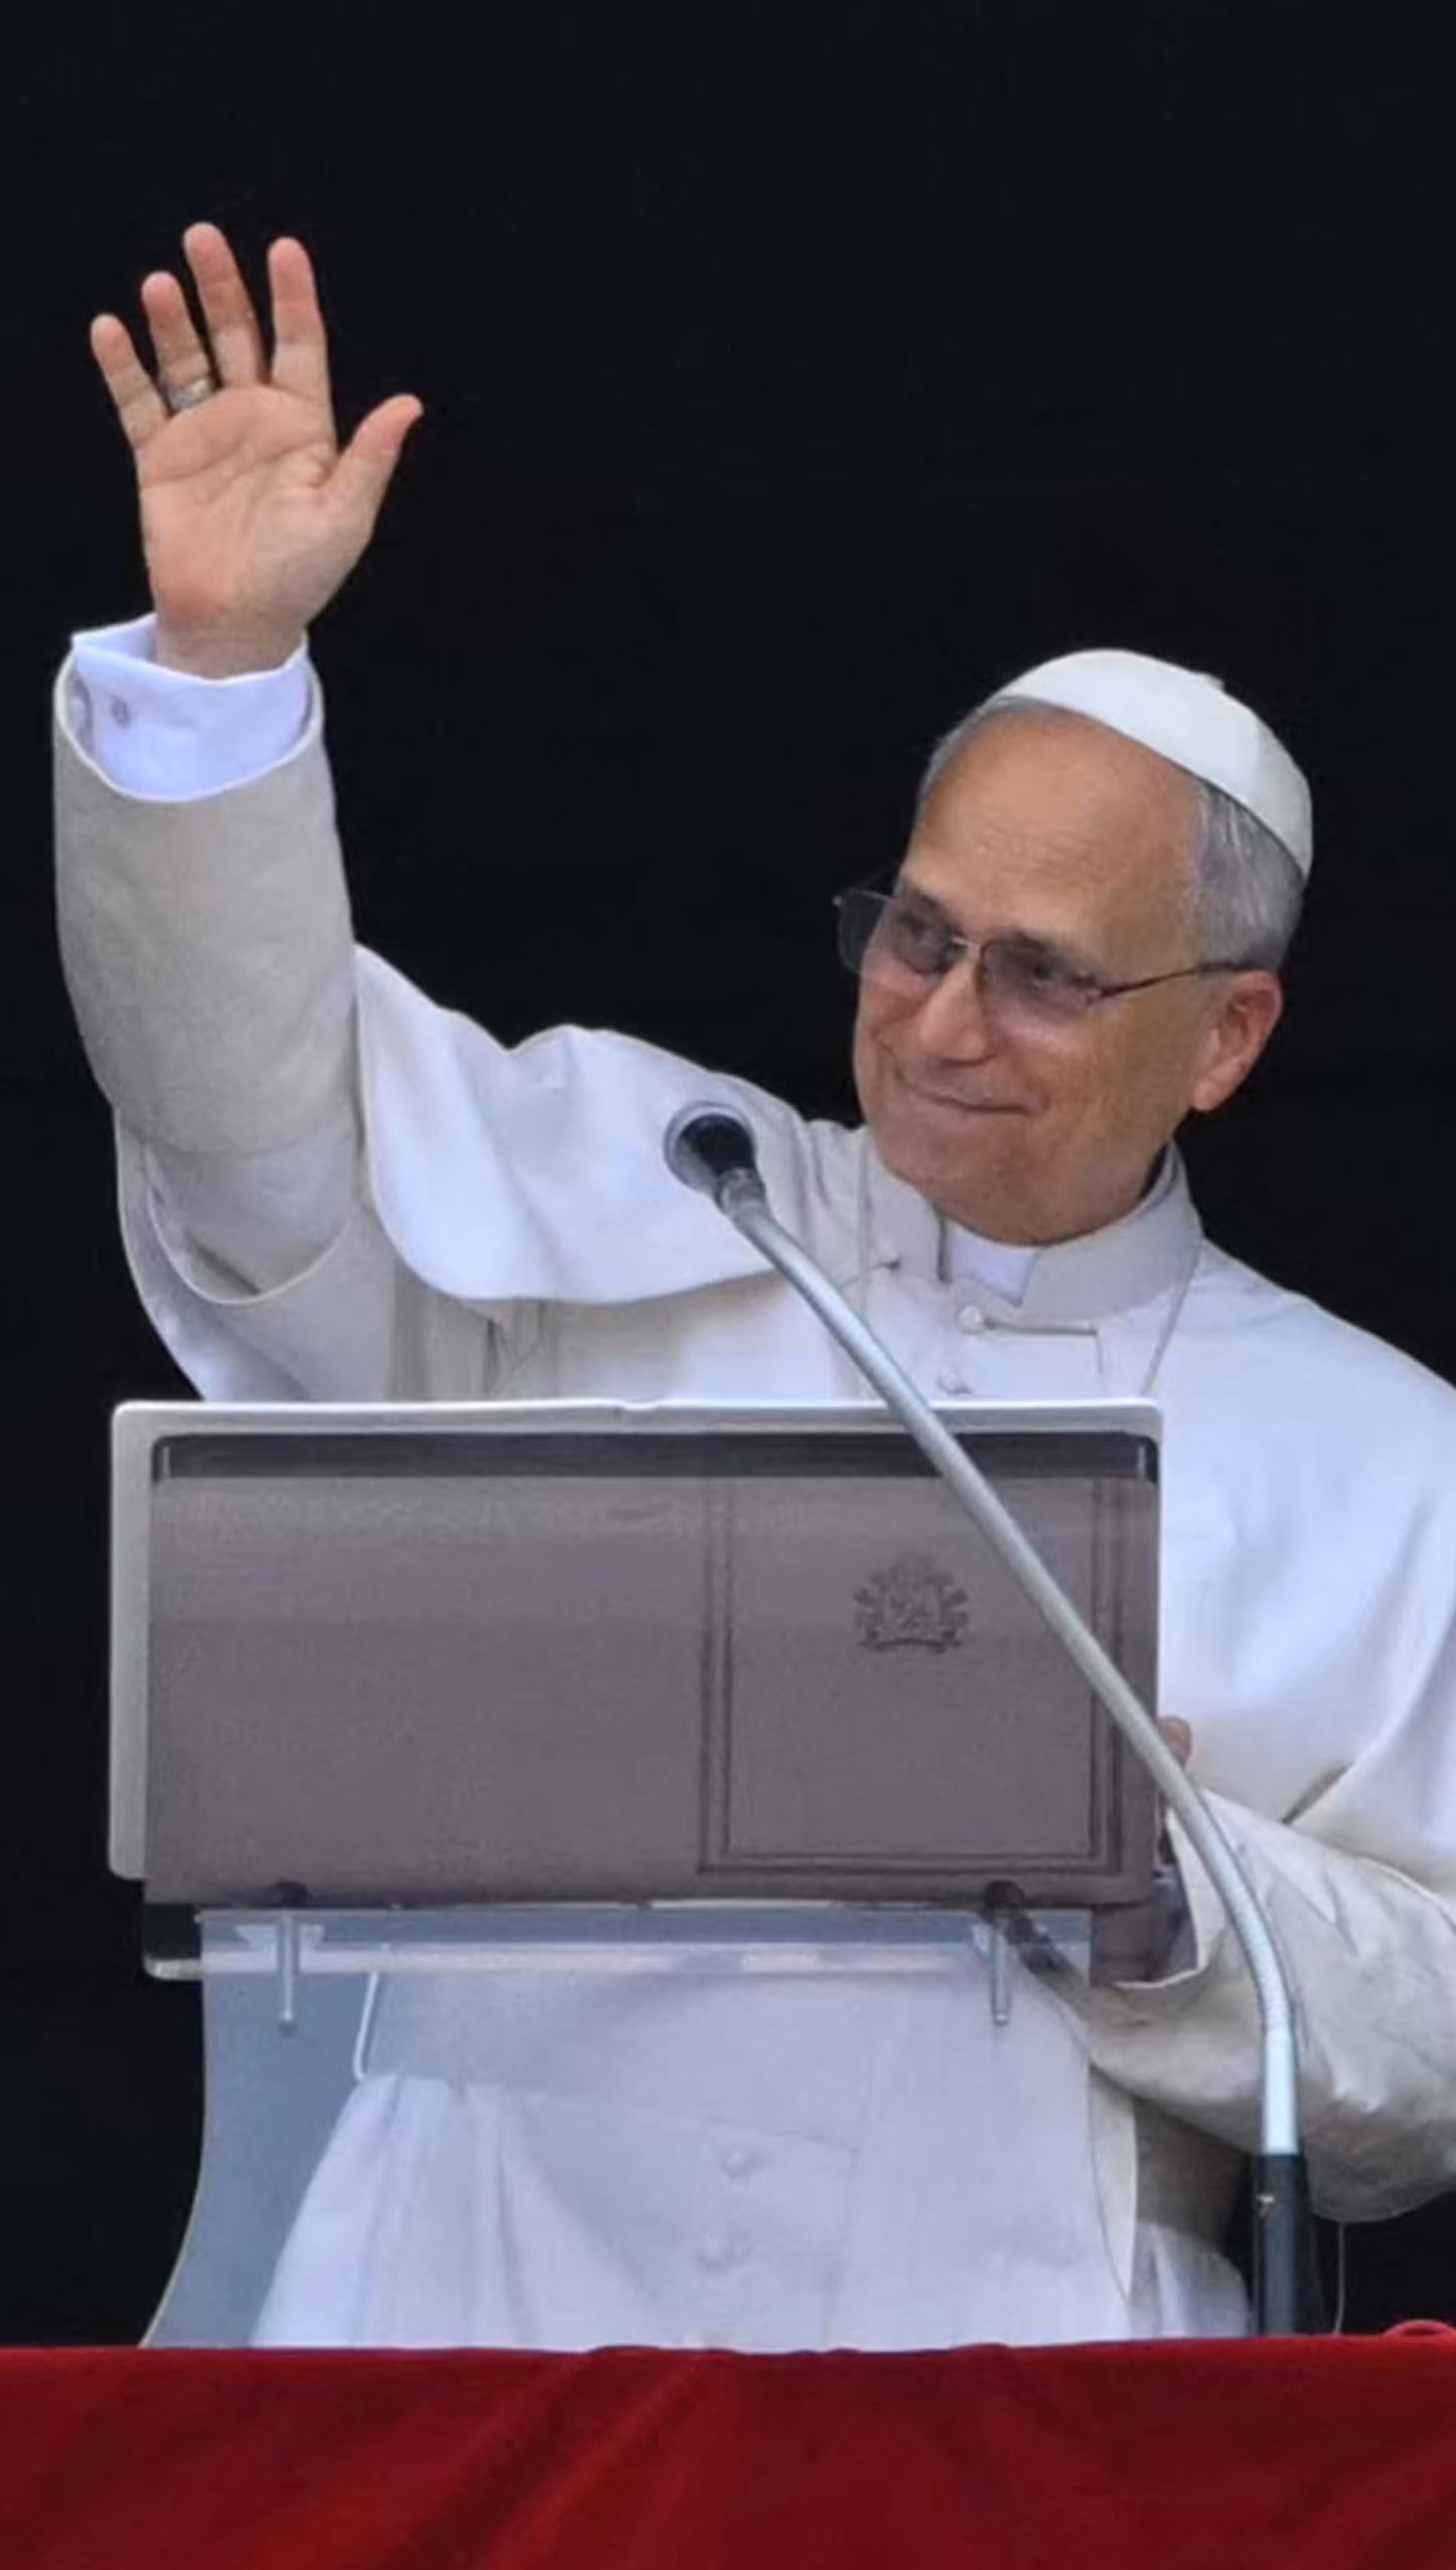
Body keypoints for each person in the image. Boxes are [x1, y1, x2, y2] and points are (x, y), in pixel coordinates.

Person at [55, 225, 1456, 2349]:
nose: (942, 1022)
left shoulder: (1389, 1455)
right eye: (915, 933)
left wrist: (1156, 1881)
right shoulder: (660, 1184)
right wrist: (218, 673)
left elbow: (1422, 2070)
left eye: (1047, 974)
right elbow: (248, 1140)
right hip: (476, 2315)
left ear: (1232, 1035)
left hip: (1025, 2376)